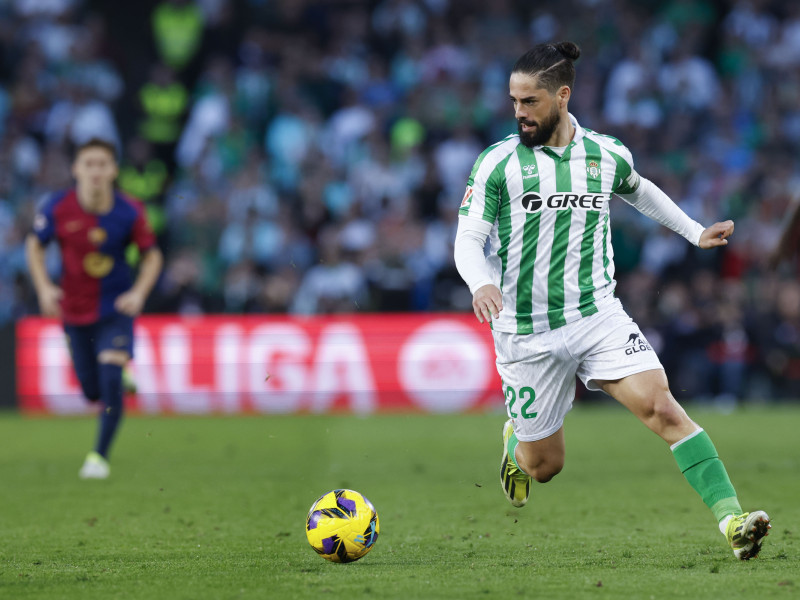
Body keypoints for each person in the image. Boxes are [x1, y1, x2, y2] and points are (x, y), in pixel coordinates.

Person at [453, 42, 770, 560]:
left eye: (529, 101)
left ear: (562, 95)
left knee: (664, 409)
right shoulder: (498, 163)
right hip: (524, 331)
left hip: (596, 315)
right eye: (513, 101)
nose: (518, 113)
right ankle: (516, 443)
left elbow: (639, 189)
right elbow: (469, 238)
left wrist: (694, 232)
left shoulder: (605, 154)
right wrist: (480, 282)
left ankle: (732, 520)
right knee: (544, 466)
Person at [26, 138, 163, 480]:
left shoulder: (129, 210)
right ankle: (115, 379)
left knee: (111, 378)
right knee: (91, 390)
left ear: (114, 170)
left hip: (115, 308)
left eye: (103, 164)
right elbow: (34, 244)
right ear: (76, 169)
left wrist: (138, 293)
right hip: (73, 311)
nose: (96, 172)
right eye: (89, 164)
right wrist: (44, 287)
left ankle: (98, 457)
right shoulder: (57, 207)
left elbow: (152, 255)